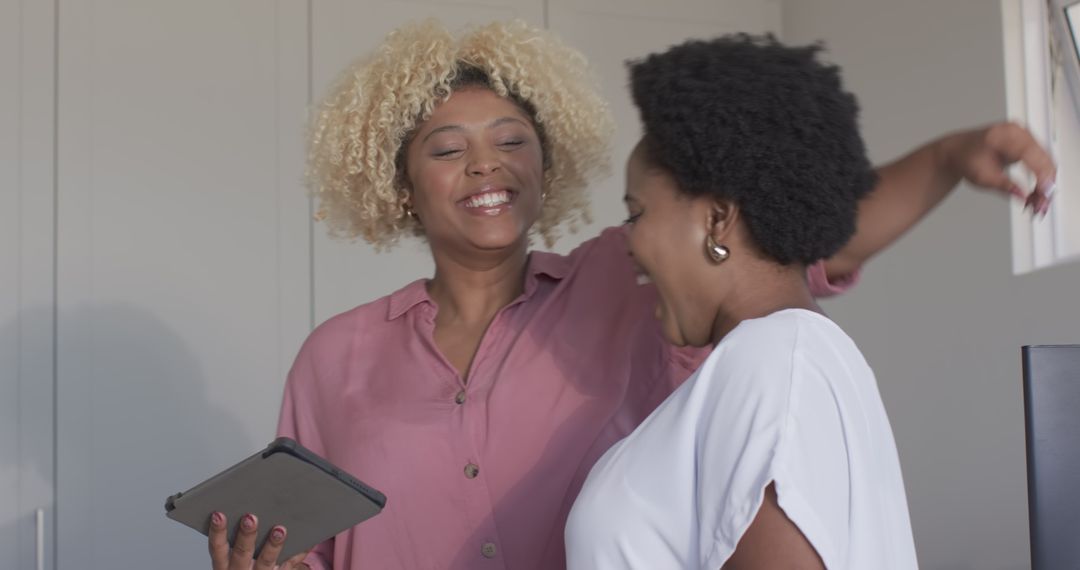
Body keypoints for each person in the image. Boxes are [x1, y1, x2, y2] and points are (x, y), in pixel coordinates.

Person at [206, 19, 1055, 570]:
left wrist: (948, 160)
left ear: (548, 163)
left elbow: (788, 232)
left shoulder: (632, 275)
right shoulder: (335, 357)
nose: (486, 165)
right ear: (399, 182)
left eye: (512, 140)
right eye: (446, 148)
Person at [564, 34, 915, 569]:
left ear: (717, 218)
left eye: (637, 214)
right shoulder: (786, 358)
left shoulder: (772, 361)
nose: (629, 244)